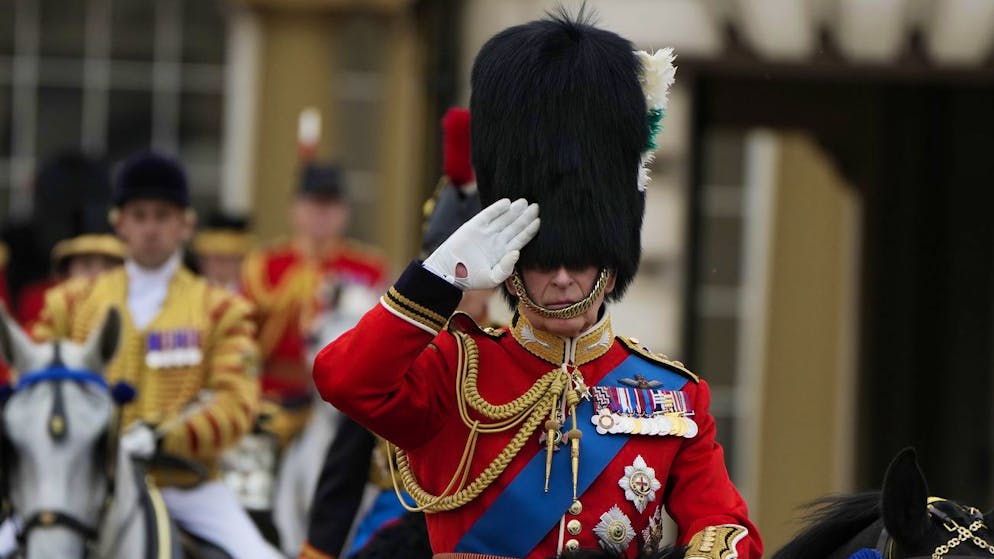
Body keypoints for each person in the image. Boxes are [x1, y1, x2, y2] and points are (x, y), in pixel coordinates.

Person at [313, 12, 762, 559]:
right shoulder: (456, 368)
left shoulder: (674, 396)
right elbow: (344, 380)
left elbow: (724, 524)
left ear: (610, 264)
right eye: (544, 262)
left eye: (580, 261)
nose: (563, 278)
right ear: (513, 267)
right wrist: (438, 280)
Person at [33, 151, 282, 558]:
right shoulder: (69, 304)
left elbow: (237, 403)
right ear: (119, 223)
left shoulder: (221, 309)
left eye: (163, 216)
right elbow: (33, 387)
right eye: (139, 215)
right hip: (82, 485)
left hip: (186, 487)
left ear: (186, 224)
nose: (150, 228)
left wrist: (165, 436)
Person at [300, 108, 485, 559]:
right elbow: (346, 465)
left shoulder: (509, 348)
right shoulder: (398, 348)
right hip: (393, 513)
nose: (459, 290)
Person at [241, 164, 387, 448]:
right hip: (274, 399)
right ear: (294, 208)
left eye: (330, 205)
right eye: (313, 204)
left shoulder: (368, 268)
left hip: (340, 407)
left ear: (345, 211)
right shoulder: (266, 266)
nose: (321, 214)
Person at [193, 211, 253, 291]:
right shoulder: (189, 291)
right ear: (202, 261)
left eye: (231, 259)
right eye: (218, 258)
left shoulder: (254, 293)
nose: (223, 266)